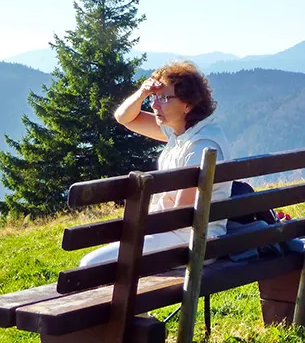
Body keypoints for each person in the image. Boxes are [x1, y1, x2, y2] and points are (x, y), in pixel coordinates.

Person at [79, 61, 231, 267]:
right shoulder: (181, 133)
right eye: (154, 97)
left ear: (188, 104)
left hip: (191, 240)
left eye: (164, 98)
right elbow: (124, 118)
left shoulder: (200, 145)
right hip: (180, 235)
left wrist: (138, 225)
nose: (154, 105)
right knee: (98, 262)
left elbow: (181, 216)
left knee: (92, 265)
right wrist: (142, 92)